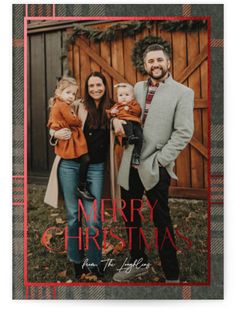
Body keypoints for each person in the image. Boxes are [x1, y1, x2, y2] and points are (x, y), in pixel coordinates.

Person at [112, 44, 194, 282]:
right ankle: (139, 261)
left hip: (155, 166)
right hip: (130, 165)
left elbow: (183, 132)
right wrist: (116, 122)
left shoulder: (182, 92)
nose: (155, 65)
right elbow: (124, 109)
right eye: (150, 61)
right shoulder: (137, 87)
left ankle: (172, 273)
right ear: (145, 65)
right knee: (131, 217)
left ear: (168, 63)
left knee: (162, 220)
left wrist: (160, 161)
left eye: (159, 60)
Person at [44, 72, 113, 280]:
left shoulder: (112, 108)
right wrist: (54, 135)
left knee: (93, 220)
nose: (95, 89)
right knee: (73, 217)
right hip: (70, 165)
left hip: (96, 168)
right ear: (86, 87)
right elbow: (54, 119)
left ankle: (93, 261)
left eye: (98, 85)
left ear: (104, 86)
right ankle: (76, 260)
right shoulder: (77, 104)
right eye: (91, 85)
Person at [47, 76, 94, 200]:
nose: (71, 96)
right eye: (68, 92)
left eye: (73, 94)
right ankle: (81, 186)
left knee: (84, 158)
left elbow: (51, 121)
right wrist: (78, 122)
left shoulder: (60, 104)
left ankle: (80, 184)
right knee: (85, 158)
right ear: (59, 92)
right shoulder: (63, 105)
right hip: (69, 137)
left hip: (70, 136)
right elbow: (71, 120)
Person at [106, 83, 143, 166]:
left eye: (126, 95)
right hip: (125, 122)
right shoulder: (117, 106)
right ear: (117, 97)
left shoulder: (134, 104)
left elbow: (138, 111)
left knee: (140, 136)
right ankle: (130, 138)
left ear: (132, 97)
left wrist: (130, 108)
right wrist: (112, 112)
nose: (123, 97)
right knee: (126, 124)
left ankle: (136, 155)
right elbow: (109, 114)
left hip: (135, 122)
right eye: (121, 95)